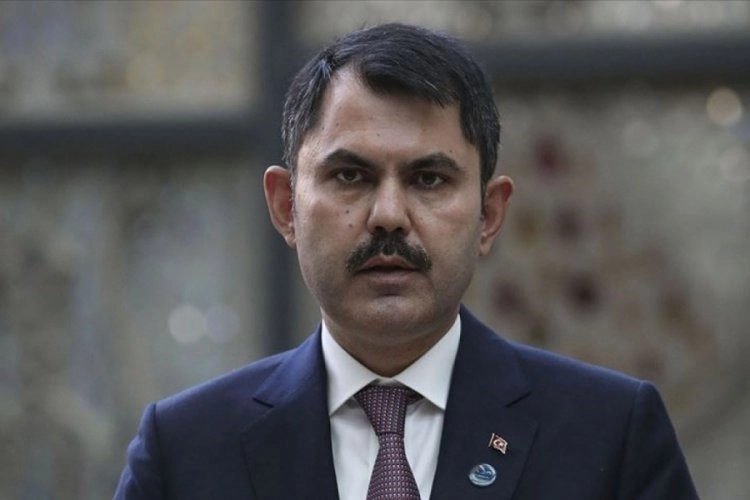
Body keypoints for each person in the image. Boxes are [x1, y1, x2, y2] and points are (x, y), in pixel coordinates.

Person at [115, 23, 698, 499]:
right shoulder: (186, 451)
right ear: (286, 206)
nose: (389, 216)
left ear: (489, 214)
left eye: (429, 179)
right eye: (351, 176)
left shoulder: (610, 436)